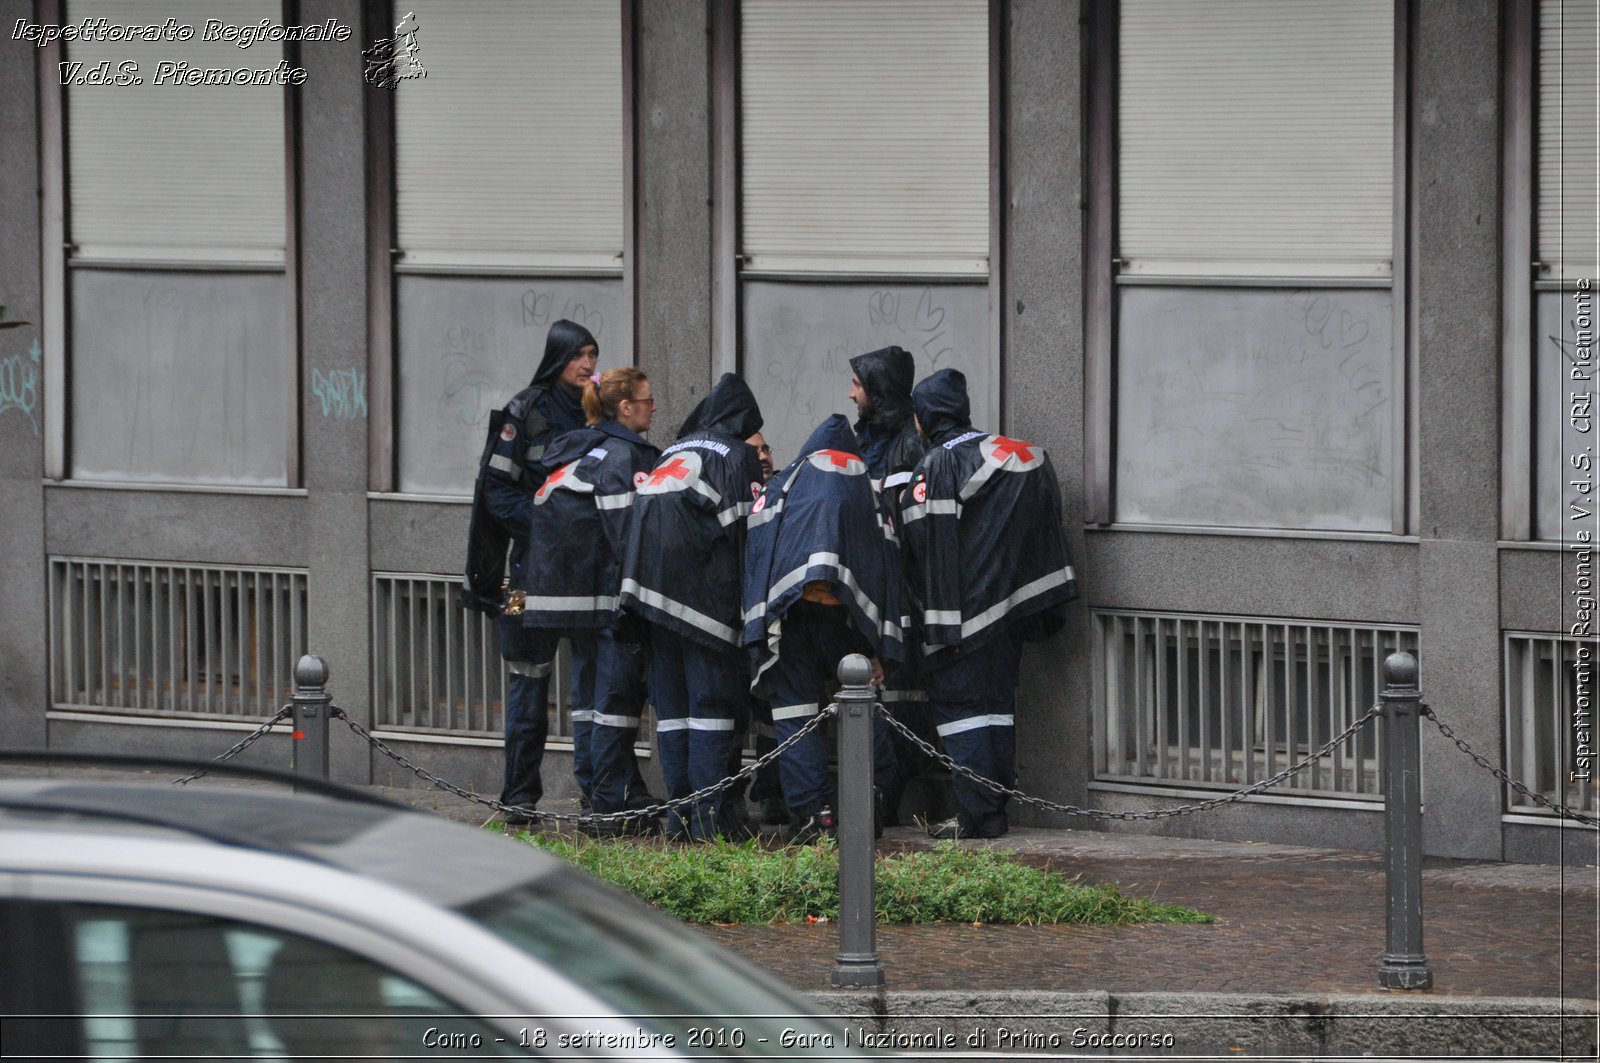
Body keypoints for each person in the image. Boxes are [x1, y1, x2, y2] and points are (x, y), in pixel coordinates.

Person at [899, 368, 1078, 840]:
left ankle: (975, 814)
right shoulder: (1019, 453)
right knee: (998, 708)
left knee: (963, 712)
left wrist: (928, 621)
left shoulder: (936, 465)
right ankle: (992, 811)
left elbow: (922, 545)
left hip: (961, 618)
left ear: (924, 417)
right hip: (1013, 612)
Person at [460, 320, 598, 825]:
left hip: (587, 576)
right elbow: (496, 492)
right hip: (527, 578)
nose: (588, 365)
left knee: (594, 687)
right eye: (579, 355)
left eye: (592, 355)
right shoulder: (524, 412)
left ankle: (598, 797)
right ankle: (519, 797)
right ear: (558, 358)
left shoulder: (595, 408)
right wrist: (548, 528)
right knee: (526, 679)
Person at [742, 414, 903, 842]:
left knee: (794, 711)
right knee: (864, 702)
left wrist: (761, 621)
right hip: (846, 615)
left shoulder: (788, 481)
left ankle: (814, 814)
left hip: (790, 614)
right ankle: (873, 800)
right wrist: (878, 643)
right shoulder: (866, 485)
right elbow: (885, 559)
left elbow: (759, 542)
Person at [619, 373, 765, 841]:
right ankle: (707, 825)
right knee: (711, 710)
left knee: (675, 713)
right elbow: (745, 535)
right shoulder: (737, 456)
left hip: (646, 597)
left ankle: (679, 822)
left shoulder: (672, 451)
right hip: (703, 599)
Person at [519, 367, 661, 832]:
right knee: (615, 704)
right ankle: (608, 805)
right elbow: (628, 536)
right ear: (625, 407)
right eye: (646, 400)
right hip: (610, 598)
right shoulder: (625, 457)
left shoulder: (578, 447)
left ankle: (599, 792)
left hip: (572, 600)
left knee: (587, 702)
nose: (653, 407)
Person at [849, 344, 928, 825]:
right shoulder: (861, 442)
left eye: (858, 384)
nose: (850, 393)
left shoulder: (910, 444)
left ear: (877, 390)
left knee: (899, 699)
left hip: (904, 595)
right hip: (868, 591)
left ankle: (890, 796)